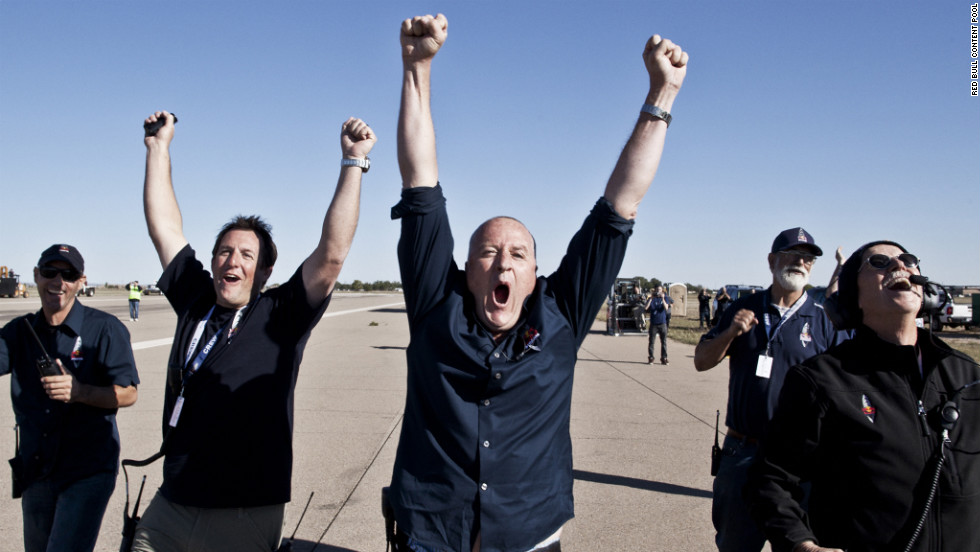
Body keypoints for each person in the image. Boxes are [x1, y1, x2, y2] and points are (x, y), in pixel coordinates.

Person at [386, 13, 687, 552]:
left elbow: (621, 204)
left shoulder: (562, 313)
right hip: (432, 532)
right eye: (488, 252)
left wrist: (661, 96)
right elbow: (419, 181)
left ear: (534, 274)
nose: (503, 263)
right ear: (467, 268)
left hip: (529, 533)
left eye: (518, 254)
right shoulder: (438, 304)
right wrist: (417, 68)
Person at [132, 112, 375, 551]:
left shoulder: (281, 314)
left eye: (246, 254)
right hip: (173, 500)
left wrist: (353, 163)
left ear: (264, 271)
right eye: (224, 251)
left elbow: (332, 254)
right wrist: (157, 149)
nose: (232, 261)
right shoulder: (197, 301)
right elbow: (164, 228)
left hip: (244, 509)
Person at [747, 241, 980, 552]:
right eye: (880, 262)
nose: (900, 266)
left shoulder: (969, 378)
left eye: (908, 260)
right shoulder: (821, 380)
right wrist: (801, 544)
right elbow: (770, 478)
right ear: (851, 296)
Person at [693, 227, 845, 552]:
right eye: (792, 255)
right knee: (735, 544)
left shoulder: (823, 322)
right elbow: (702, 361)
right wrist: (731, 333)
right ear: (772, 260)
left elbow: (845, 385)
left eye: (808, 258)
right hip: (742, 453)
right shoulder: (742, 308)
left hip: (798, 461)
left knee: (796, 546)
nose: (800, 263)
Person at [0, 244, 140, 552]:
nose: (58, 282)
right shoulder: (19, 332)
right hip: (36, 470)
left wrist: (80, 392)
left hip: (86, 471)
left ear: (81, 281)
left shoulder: (105, 329)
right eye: (50, 272)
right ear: (37, 276)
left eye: (69, 274)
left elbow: (129, 393)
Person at [645, 285, 670, 365]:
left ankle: (664, 358)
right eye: (657, 290)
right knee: (651, 342)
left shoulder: (665, 298)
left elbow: (666, 308)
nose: (658, 292)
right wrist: (651, 298)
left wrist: (662, 298)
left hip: (662, 323)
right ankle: (651, 357)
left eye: (659, 290)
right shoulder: (651, 298)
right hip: (654, 323)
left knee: (664, 342)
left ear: (662, 291)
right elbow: (646, 308)